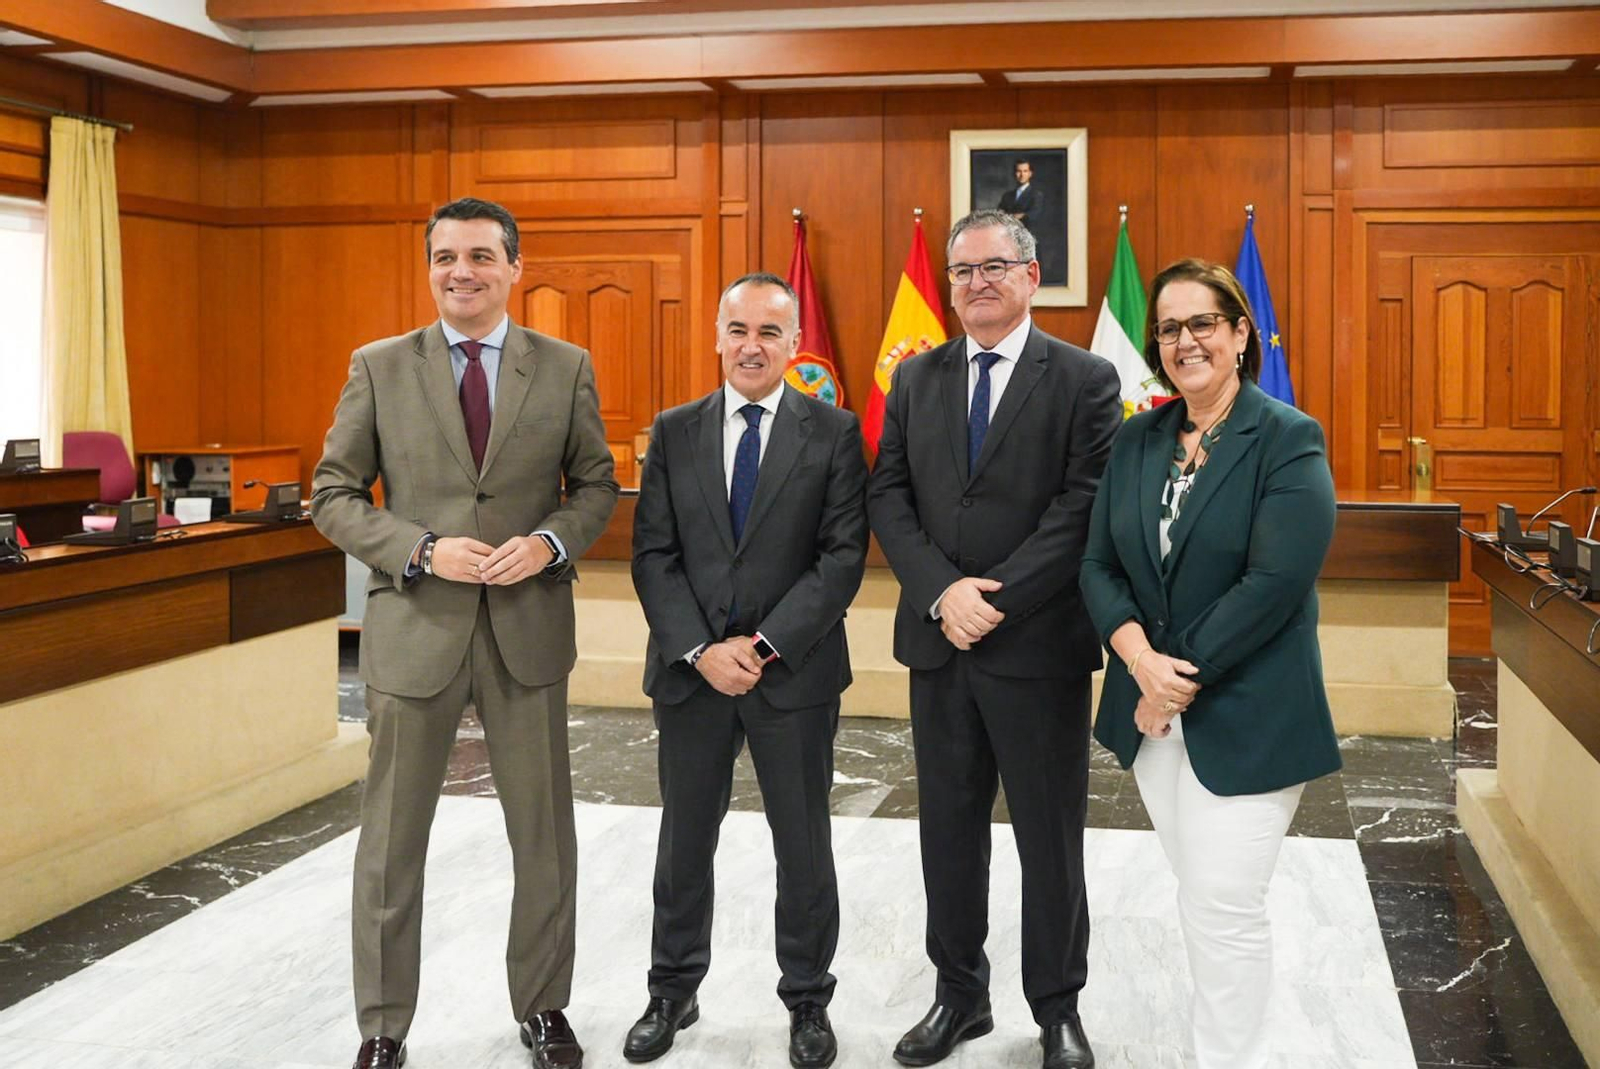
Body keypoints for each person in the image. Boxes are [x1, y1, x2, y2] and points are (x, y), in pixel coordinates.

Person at [311, 196, 618, 1069]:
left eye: (481, 256)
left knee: (543, 836)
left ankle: (544, 1009)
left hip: (526, 629)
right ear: (430, 267)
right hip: (416, 629)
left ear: (516, 268)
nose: (462, 272)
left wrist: (550, 540)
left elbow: (595, 485)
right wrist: (420, 547)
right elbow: (332, 495)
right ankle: (382, 1024)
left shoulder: (563, 366)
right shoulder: (379, 365)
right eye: (446, 257)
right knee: (390, 843)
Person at [866, 210, 1121, 1069]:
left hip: (1037, 646)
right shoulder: (915, 377)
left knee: (1050, 835)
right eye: (963, 270)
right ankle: (959, 995)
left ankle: (1057, 1008)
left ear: (1031, 274)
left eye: (995, 267)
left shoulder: (1085, 378)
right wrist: (941, 591)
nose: (977, 281)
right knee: (948, 830)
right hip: (940, 644)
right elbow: (888, 498)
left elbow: (1083, 504)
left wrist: (993, 598)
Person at [1078, 258, 1341, 1069]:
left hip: (1249, 712)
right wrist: (1136, 660)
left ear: (1238, 333)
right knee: (1200, 897)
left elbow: (1274, 584)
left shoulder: (1288, 437)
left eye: (1201, 323)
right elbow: (1097, 565)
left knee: (1226, 904)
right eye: (1169, 327)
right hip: (1153, 719)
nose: (1184, 340)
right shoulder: (1138, 435)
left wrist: (1169, 681)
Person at [628, 272, 868, 1068]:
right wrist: (702, 649)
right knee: (683, 838)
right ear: (717, 337)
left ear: (794, 344)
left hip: (791, 676)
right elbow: (654, 554)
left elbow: (840, 559)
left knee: (801, 841)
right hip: (692, 676)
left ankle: (807, 998)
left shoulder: (832, 431)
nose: (752, 345)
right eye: (738, 329)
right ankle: (671, 988)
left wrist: (761, 647)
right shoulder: (674, 429)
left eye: (770, 331)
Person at [996, 159, 1040, 236]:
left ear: (1030, 174)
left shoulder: (1036, 195)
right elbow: (999, 214)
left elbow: (1035, 215)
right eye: (1019, 171)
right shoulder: (1007, 196)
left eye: (1025, 171)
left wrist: (1022, 215)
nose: (1022, 175)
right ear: (1014, 174)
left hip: (1028, 237)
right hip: (1008, 237)